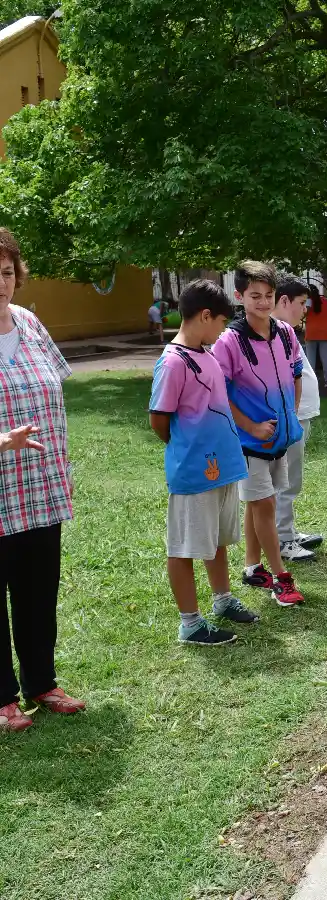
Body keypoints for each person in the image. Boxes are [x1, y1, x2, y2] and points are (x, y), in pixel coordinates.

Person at [0, 228, 86, 732]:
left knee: (37, 591)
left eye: (8, 272)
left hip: (38, 487)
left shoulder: (30, 324)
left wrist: (59, 465)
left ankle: (41, 683)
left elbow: (55, 392)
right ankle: (2, 699)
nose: (2, 282)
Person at [149, 280, 258, 646]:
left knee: (216, 540)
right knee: (184, 546)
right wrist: (187, 448)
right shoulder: (174, 362)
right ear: (205, 316)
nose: (224, 331)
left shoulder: (206, 353)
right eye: (222, 323)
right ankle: (190, 623)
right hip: (195, 471)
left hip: (223, 467)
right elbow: (159, 419)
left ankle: (222, 599)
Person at [211, 261, 305, 607]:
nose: (263, 302)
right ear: (239, 296)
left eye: (269, 295)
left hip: (278, 439)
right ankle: (281, 579)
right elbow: (217, 391)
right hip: (249, 442)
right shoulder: (229, 341)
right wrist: (250, 426)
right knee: (264, 504)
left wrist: (290, 413)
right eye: (255, 296)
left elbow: (296, 372)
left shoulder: (285, 332)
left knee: (258, 502)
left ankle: (253, 568)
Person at [274, 279, 326, 563]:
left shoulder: (286, 332)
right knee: (285, 479)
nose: (305, 310)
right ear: (284, 301)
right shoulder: (275, 333)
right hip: (290, 416)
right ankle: (283, 538)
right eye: (300, 304)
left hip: (299, 415)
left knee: (291, 477)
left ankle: (288, 531)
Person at [304, 283, 327, 388]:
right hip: (325, 333)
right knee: (326, 358)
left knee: (311, 359)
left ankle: (312, 382)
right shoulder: (325, 301)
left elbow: (304, 313)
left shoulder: (308, 302)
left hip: (311, 333)